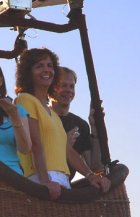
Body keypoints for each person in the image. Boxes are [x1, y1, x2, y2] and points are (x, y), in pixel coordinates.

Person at [15, 48, 110, 199]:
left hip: (61, 179)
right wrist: (45, 181)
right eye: (39, 66)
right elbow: (34, 143)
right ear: (28, 72)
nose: (46, 69)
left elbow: (68, 152)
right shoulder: (25, 100)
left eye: (49, 65)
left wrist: (91, 176)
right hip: (41, 178)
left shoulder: (52, 114)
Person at [50, 66, 103, 179]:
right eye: (63, 85)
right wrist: (63, 146)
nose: (68, 90)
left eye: (71, 86)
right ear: (52, 88)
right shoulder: (42, 116)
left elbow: (94, 166)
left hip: (66, 185)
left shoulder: (81, 125)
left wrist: (95, 130)